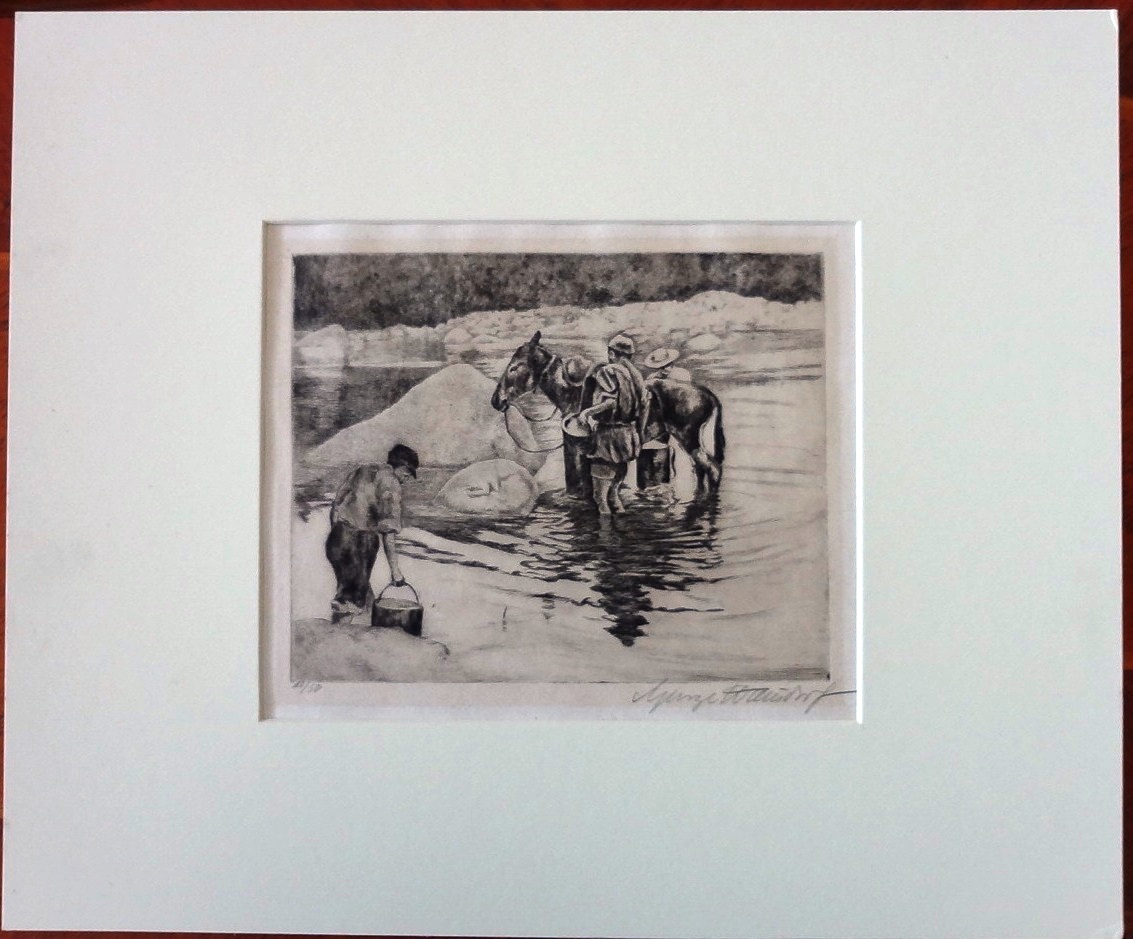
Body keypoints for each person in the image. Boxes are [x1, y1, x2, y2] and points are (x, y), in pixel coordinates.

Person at [325, 443, 419, 623]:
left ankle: (367, 621)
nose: (406, 480)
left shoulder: (363, 470)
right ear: (402, 467)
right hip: (360, 544)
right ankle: (337, 632)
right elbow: (388, 533)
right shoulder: (391, 483)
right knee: (349, 601)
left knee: (354, 588)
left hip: (336, 539)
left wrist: (339, 534)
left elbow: (336, 504)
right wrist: (395, 572)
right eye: (407, 474)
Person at [578, 334, 649, 515]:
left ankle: (605, 531)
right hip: (627, 435)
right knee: (613, 495)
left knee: (600, 498)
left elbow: (610, 401)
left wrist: (587, 412)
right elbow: (644, 405)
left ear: (611, 353)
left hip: (608, 437)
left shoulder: (608, 371)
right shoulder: (635, 375)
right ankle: (621, 528)